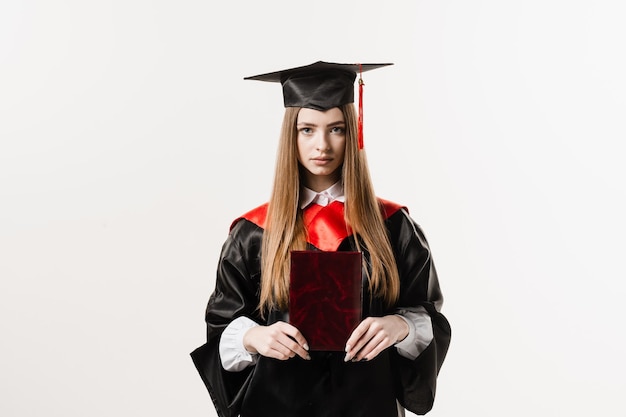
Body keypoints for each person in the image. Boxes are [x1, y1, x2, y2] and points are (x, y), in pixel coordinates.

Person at [191, 61, 451, 417]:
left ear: (353, 133)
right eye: (308, 130)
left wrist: (400, 325)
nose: (322, 145)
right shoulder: (253, 233)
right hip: (274, 405)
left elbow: (429, 316)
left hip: (368, 406)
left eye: (337, 129)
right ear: (291, 137)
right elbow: (221, 327)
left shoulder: (392, 226)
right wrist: (254, 337)